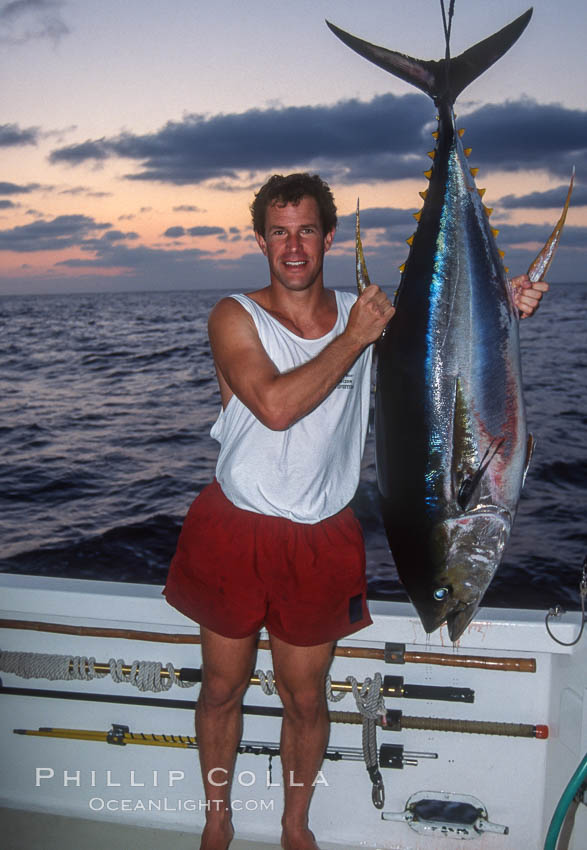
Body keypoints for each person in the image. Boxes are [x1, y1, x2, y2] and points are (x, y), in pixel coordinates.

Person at [163, 172, 547, 850]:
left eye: (305, 229)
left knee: (305, 699)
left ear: (327, 236)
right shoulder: (234, 315)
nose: (292, 246)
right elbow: (275, 407)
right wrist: (354, 337)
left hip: (322, 536)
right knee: (221, 688)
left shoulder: (364, 315)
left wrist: (502, 310)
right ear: (260, 239)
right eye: (278, 232)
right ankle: (216, 817)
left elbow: (442, 355)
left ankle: (293, 824)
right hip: (235, 528)